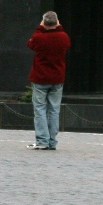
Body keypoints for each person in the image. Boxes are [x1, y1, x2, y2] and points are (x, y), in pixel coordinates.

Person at [27, 11, 71, 151]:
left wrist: (40, 28)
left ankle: (42, 141)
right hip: (57, 78)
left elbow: (30, 44)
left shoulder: (38, 37)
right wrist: (59, 27)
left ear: (43, 23)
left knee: (40, 109)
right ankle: (52, 141)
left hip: (40, 78)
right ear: (57, 22)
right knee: (54, 110)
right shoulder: (63, 37)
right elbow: (66, 43)